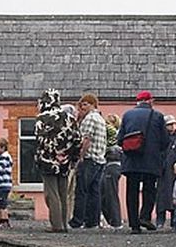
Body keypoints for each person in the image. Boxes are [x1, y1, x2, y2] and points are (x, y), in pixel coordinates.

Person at [117, 90, 168, 233]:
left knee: (131, 191)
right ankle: (145, 216)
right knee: (149, 189)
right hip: (151, 160)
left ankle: (134, 224)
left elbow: (120, 138)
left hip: (132, 158)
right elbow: (165, 140)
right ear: (149, 101)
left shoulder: (127, 115)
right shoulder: (157, 116)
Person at [34, 89, 81, 232]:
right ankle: (64, 224)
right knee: (63, 193)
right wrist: (72, 157)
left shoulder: (41, 118)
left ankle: (56, 225)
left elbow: (40, 140)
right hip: (65, 160)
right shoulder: (69, 118)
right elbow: (77, 139)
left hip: (47, 161)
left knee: (51, 194)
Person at [70, 93, 107, 229]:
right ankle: (93, 220)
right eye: (81, 104)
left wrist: (80, 156)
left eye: (86, 104)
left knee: (82, 190)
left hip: (89, 159)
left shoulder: (90, 119)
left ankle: (77, 220)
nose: (82, 107)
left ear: (93, 105)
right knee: (94, 192)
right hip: (100, 159)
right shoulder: (100, 118)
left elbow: (86, 139)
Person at [154, 114, 176, 229]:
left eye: (174, 124)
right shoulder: (159, 140)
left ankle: (175, 220)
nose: (173, 127)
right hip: (163, 173)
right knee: (161, 197)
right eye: (169, 125)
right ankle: (160, 220)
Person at [100, 144, 124, 228]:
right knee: (106, 195)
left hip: (111, 165)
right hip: (114, 165)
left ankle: (115, 221)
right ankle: (113, 220)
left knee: (110, 195)